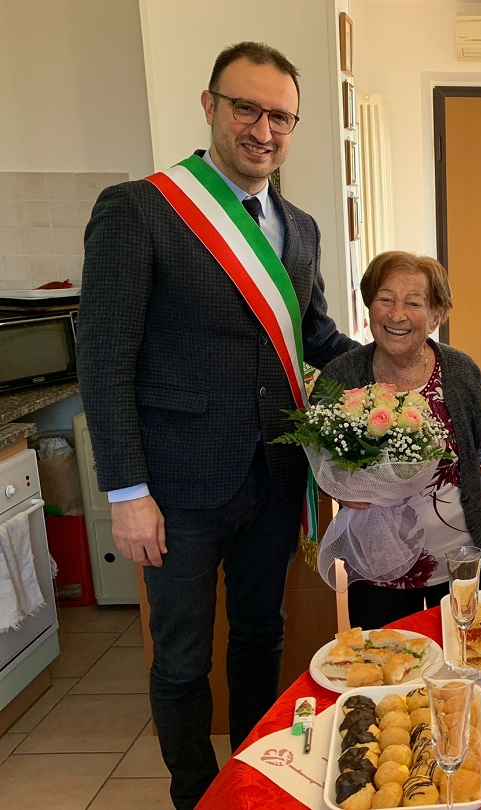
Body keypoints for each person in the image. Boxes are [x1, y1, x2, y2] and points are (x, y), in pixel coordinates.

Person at [76, 42, 357, 809]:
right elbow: (104, 360)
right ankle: (196, 795)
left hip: (274, 477)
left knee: (262, 635)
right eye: (247, 109)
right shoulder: (140, 209)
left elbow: (314, 338)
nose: (263, 130)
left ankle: (251, 780)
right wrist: (126, 492)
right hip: (176, 488)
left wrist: (403, 365)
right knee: (181, 658)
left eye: (281, 117)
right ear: (210, 107)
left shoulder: (300, 227)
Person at [319, 251, 481, 628]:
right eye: (385, 299)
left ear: (436, 316)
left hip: (461, 555)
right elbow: (318, 457)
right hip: (376, 560)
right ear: (369, 306)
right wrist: (334, 487)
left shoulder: (460, 372)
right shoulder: (341, 377)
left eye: (413, 303)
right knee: (386, 657)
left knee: (464, 653)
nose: (396, 315)